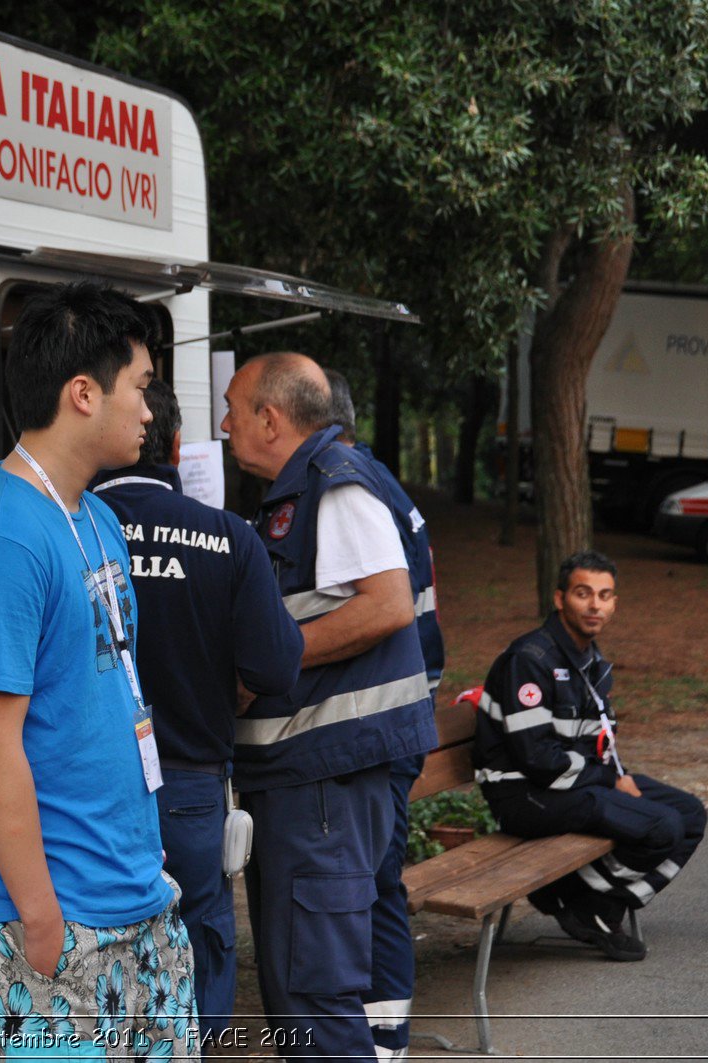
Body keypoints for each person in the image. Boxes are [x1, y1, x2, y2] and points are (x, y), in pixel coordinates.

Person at [0, 281, 199, 1059]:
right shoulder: (3, 537)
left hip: (137, 892)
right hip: (61, 915)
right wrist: (41, 920)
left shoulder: (96, 516)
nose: (149, 412)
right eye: (141, 388)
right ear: (83, 393)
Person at [222, 353, 436, 1062]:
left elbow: (387, 605)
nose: (223, 425)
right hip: (344, 768)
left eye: (231, 407)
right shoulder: (331, 479)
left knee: (312, 992)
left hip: (321, 772)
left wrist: (268, 664)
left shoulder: (332, 486)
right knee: (346, 966)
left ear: (269, 418)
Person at [91, 378, 303, 1045]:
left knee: (98, 953)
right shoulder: (228, 537)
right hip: (189, 787)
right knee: (198, 943)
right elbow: (274, 667)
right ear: (178, 445)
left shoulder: (72, 530)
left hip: (88, 789)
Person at [473, 550, 706, 961]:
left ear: (614, 603)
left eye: (605, 595)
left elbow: (597, 741)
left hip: (570, 786)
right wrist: (608, 780)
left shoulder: (591, 661)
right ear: (560, 599)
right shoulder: (529, 660)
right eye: (584, 593)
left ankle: (592, 903)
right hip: (523, 794)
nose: (595, 604)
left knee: (689, 815)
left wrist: (617, 774)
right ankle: (577, 899)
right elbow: (537, 759)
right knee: (661, 826)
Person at [325, 370, 442, 1061]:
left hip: (386, 721)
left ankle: (383, 1037)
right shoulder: (382, 481)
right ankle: (385, 1031)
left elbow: (386, 609)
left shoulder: (348, 487)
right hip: (407, 709)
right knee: (380, 881)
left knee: (372, 884)